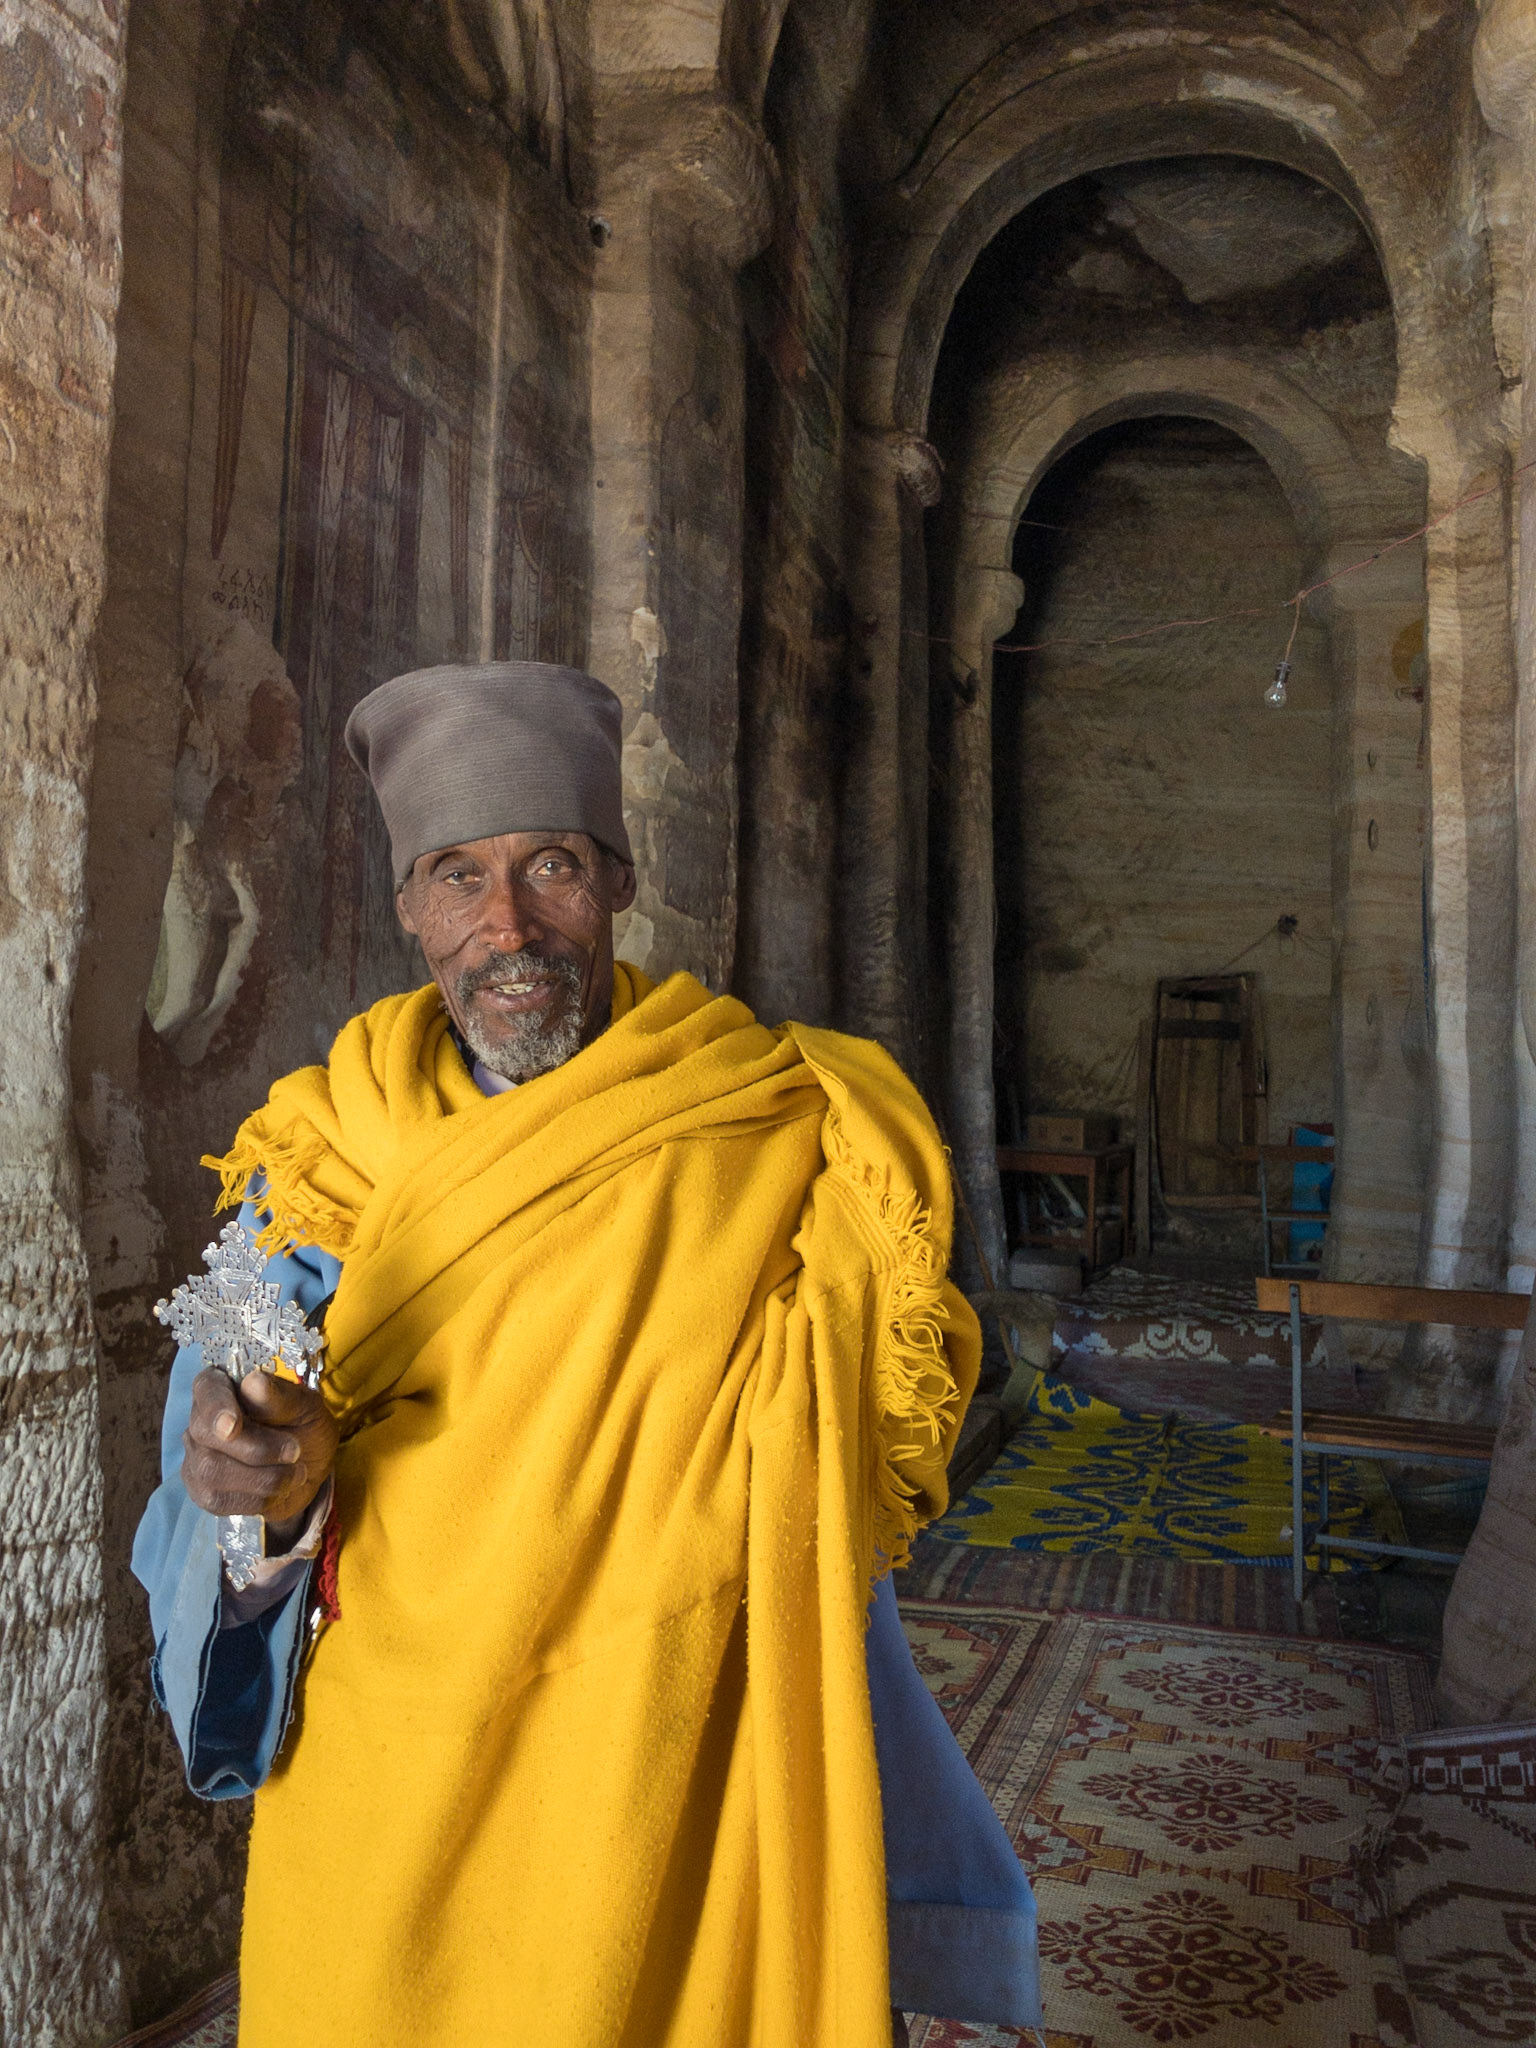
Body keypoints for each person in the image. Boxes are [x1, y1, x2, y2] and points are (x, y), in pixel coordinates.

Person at [133, 661, 1041, 2048]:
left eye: (548, 867)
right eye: (456, 877)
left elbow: (872, 1460)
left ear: (615, 879)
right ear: (407, 911)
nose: (508, 929)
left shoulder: (782, 1127)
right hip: (392, 1797)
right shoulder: (313, 1163)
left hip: (679, 1776)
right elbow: (224, 1456)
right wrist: (268, 1490)